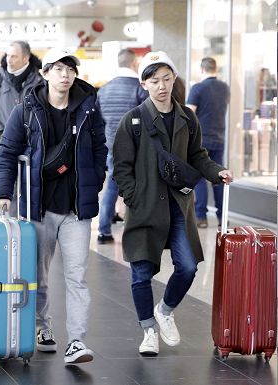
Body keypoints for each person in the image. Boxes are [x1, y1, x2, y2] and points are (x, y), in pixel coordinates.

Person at [113, 51, 233, 356]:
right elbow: (121, 166)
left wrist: (217, 172)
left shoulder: (187, 118)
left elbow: (198, 157)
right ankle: (148, 331)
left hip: (178, 203)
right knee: (141, 272)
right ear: (144, 84)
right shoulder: (134, 120)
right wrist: (131, 197)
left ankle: (164, 310)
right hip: (146, 204)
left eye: (167, 78)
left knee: (189, 266)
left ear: (174, 79)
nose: (162, 86)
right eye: (154, 81)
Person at [0, 47, 107, 364]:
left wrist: (95, 182)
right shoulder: (25, 111)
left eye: (70, 69)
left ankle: (76, 341)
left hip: (76, 210)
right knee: (38, 276)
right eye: (57, 69)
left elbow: (100, 149)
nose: (65, 74)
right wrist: (3, 192)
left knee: (77, 276)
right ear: (44, 74)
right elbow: (6, 154)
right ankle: (44, 328)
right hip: (37, 207)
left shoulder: (88, 110)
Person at [96, 48, 148, 244]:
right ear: (134, 63)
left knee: (112, 187)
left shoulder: (104, 89)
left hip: (112, 146)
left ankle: (103, 230)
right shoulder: (140, 88)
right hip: (137, 147)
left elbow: (99, 122)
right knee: (140, 188)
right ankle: (137, 232)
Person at [0, 40, 42, 174]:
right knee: (5, 191)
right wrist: (2, 135)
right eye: (8, 55)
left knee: (29, 192)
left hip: (31, 150)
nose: (9, 60)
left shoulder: (39, 82)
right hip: (3, 147)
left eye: (14, 56)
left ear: (26, 58)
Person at [186, 57, 230, 228]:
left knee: (199, 177)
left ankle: (201, 217)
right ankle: (222, 217)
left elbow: (189, 115)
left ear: (201, 69)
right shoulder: (224, 88)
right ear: (215, 69)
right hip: (219, 137)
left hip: (201, 139)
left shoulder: (198, 88)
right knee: (219, 176)